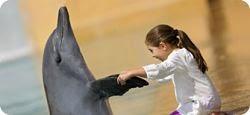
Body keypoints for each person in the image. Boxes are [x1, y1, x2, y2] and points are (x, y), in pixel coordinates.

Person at [117, 24, 221, 115]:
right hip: (207, 102)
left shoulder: (177, 56)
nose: (153, 55)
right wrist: (136, 75)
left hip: (200, 104)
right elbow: (163, 76)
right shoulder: (182, 54)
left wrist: (132, 72)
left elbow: (160, 70)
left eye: (151, 50)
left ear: (163, 46)